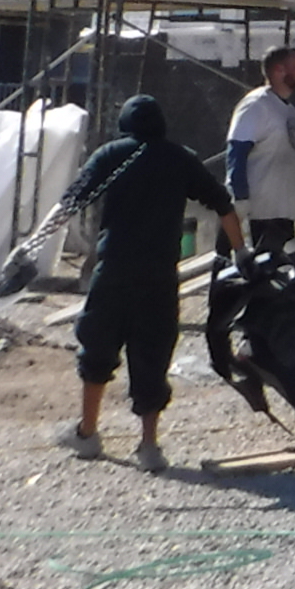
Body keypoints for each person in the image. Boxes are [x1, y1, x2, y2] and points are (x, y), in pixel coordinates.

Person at [63, 95, 241, 471]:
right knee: (153, 353)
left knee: (97, 347)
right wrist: (241, 253)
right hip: (160, 275)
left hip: (114, 270)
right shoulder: (180, 158)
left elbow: (71, 201)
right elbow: (224, 205)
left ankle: (88, 433)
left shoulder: (110, 154)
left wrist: (32, 250)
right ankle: (149, 447)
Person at [226, 47, 295, 255]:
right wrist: (240, 200)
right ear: (279, 70)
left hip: (285, 215)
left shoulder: (290, 112)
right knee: (262, 269)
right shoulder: (257, 105)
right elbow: (237, 151)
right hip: (261, 215)